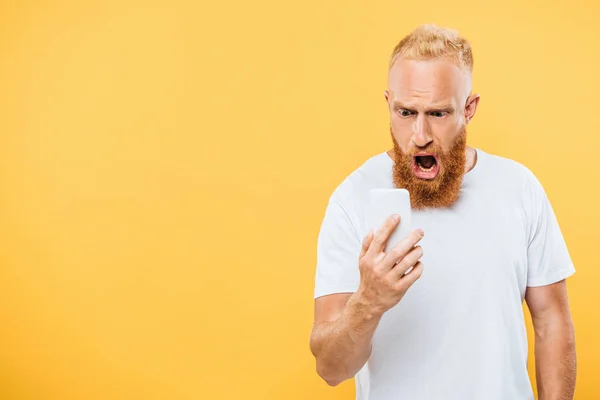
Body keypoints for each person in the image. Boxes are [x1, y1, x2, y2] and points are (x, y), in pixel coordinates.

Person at [309, 24, 577, 400]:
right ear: (388, 103)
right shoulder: (352, 199)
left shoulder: (520, 188)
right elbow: (330, 369)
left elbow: (551, 322)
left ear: (468, 109)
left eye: (437, 113)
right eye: (405, 112)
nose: (420, 134)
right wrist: (368, 302)